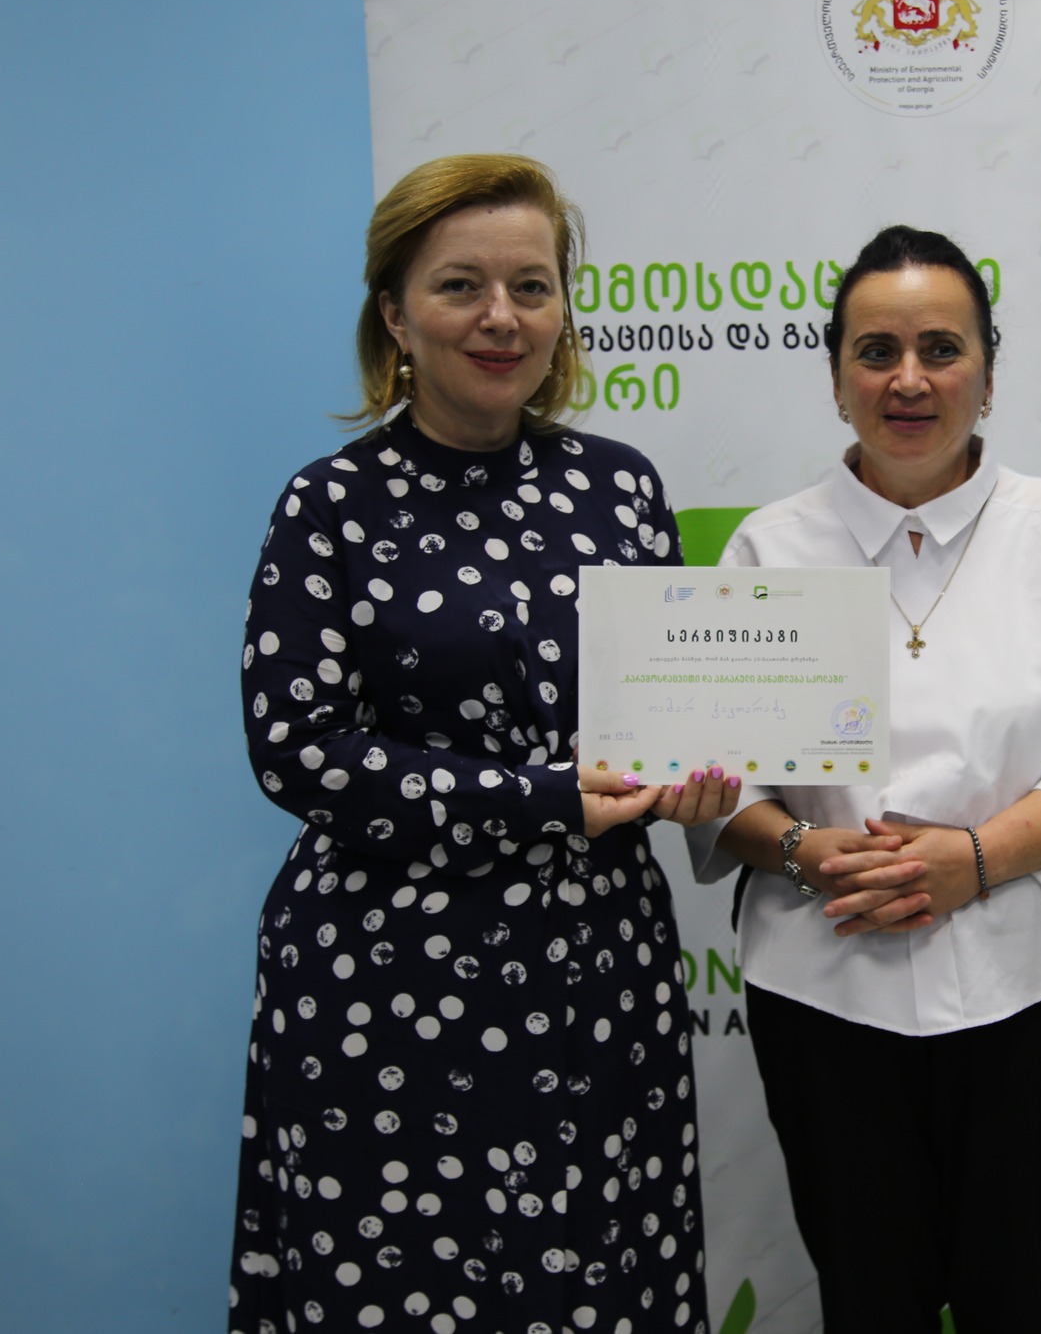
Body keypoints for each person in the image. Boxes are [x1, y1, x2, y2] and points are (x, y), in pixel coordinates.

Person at [229, 154, 732, 1334]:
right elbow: (296, 747)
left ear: (562, 312)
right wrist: (538, 796)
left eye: (531, 286)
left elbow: (662, 708)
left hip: (597, 964)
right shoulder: (329, 505)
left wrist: (696, 776)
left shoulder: (619, 489)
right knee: (400, 1282)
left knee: (595, 1271)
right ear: (395, 315)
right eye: (460, 286)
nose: (501, 317)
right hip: (390, 978)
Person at [689, 226, 1041, 1333]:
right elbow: (726, 783)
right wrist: (803, 849)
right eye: (876, 352)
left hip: (1038, 987)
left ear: (987, 376)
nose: (907, 378)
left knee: (1024, 1300)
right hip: (827, 992)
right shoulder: (769, 548)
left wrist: (972, 860)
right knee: (870, 1303)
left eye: (940, 349)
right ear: (836, 379)